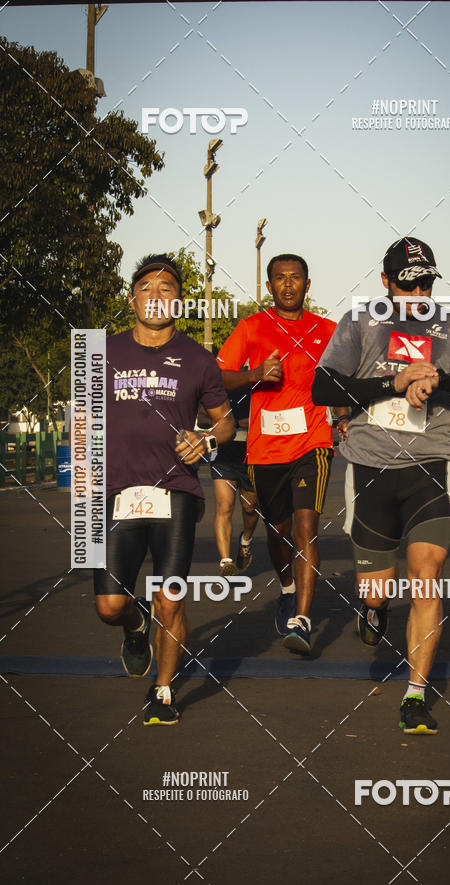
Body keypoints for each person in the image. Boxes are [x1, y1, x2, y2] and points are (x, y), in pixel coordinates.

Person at [312, 237, 450, 734]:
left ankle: (415, 695)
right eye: (408, 284)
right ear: (386, 282)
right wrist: (392, 384)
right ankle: (374, 610)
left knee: (426, 578)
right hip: (370, 469)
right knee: (376, 591)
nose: (418, 294)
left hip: (429, 466)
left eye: (426, 283)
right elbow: (323, 386)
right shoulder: (360, 322)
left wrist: (439, 378)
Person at [94, 254, 234, 725]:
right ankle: (136, 624)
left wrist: (206, 440)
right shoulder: (101, 353)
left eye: (167, 288)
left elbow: (226, 423)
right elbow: (84, 423)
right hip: (115, 491)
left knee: (170, 599)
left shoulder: (198, 359)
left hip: (176, 490)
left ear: (179, 300)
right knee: (109, 606)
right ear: (132, 298)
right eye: (147, 288)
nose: (156, 296)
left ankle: (163, 691)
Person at [217, 254, 349, 654]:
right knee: (279, 533)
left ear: (308, 285)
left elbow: (337, 381)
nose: (288, 284)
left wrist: (342, 417)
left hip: (312, 443)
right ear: (269, 286)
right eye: (280, 278)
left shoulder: (328, 330)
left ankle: (303, 621)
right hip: (265, 449)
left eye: (295, 278)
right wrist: (254, 374)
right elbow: (217, 376)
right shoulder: (251, 327)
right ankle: (287, 589)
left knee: (307, 527)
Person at [209, 383, 259, 576]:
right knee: (225, 505)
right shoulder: (218, 385)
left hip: (252, 451)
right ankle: (226, 561)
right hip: (223, 453)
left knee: (250, 507)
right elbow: (204, 418)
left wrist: (241, 422)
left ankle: (245, 540)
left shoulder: (258, 383)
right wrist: (228, 423)